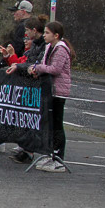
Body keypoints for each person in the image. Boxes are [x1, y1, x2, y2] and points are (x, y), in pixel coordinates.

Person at [0, 14, 47, 154]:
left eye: (27, 32)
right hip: (26, 83)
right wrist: (8, 58)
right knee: (18, 114)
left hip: (35, 85)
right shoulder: (35, 45)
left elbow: (30, 64)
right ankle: (22, 144)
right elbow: (23, 63)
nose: (25, 37)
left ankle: (29, 146)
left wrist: (17, 64)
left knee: (30, 116)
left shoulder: (41, 46)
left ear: (34, 30)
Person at [18, 20, 73, 172]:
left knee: (56, 124)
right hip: (48, 89)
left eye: (48, 33)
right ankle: (50, 154)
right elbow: (44, 64)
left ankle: (58, 157)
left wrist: (37, 67)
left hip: (58, 91)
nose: (45, 36)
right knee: (48, 124)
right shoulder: (49, 47)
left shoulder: (61, 49)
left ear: (56, 35)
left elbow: (55, 69)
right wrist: (36, 70)